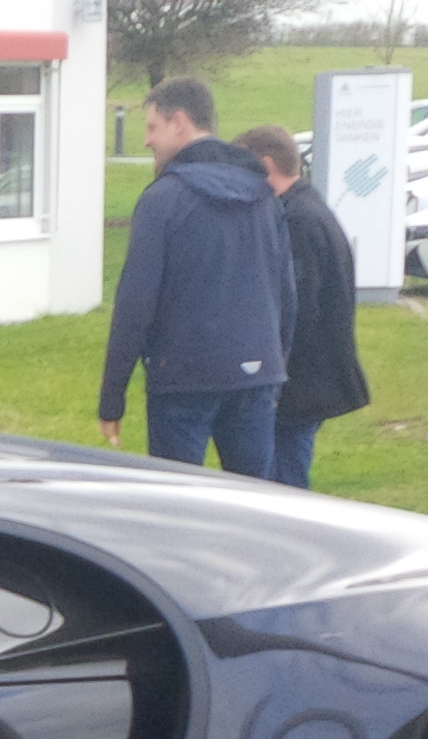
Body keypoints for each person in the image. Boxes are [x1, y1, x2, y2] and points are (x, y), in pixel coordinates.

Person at [97, 77, 294, 477]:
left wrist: (112, 398)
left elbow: (135, 304)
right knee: (251, 500)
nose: (147, 141)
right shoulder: (265, 200)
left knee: (177, 499)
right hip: (256, 373)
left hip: (182, 379)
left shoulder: (161, 201)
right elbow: (286, 293)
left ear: (180, 122)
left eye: (152, 127)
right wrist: (276, 365)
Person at [238, 124, 369, 490]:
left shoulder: (295, 220)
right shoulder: (310, 208)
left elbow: (298, 307)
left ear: (266, 166)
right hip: (310, 376)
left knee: (283, 478)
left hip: (300, 380)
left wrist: (274, 370)